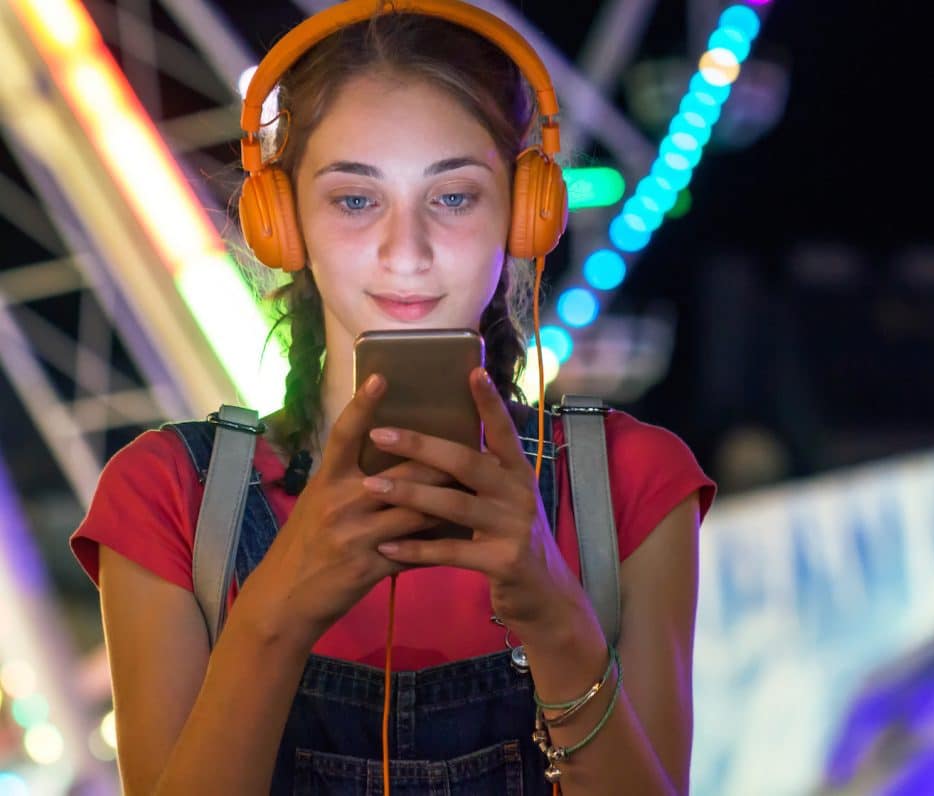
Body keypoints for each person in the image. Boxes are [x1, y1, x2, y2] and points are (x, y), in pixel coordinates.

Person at [70, 1, 716, 793]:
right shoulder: (171, 497)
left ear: (523, 212)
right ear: (281, 222)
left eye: (453, 197)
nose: (405, 253)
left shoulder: (628, 482)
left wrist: (553, 613)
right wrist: (276, 616)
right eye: (353, 199)